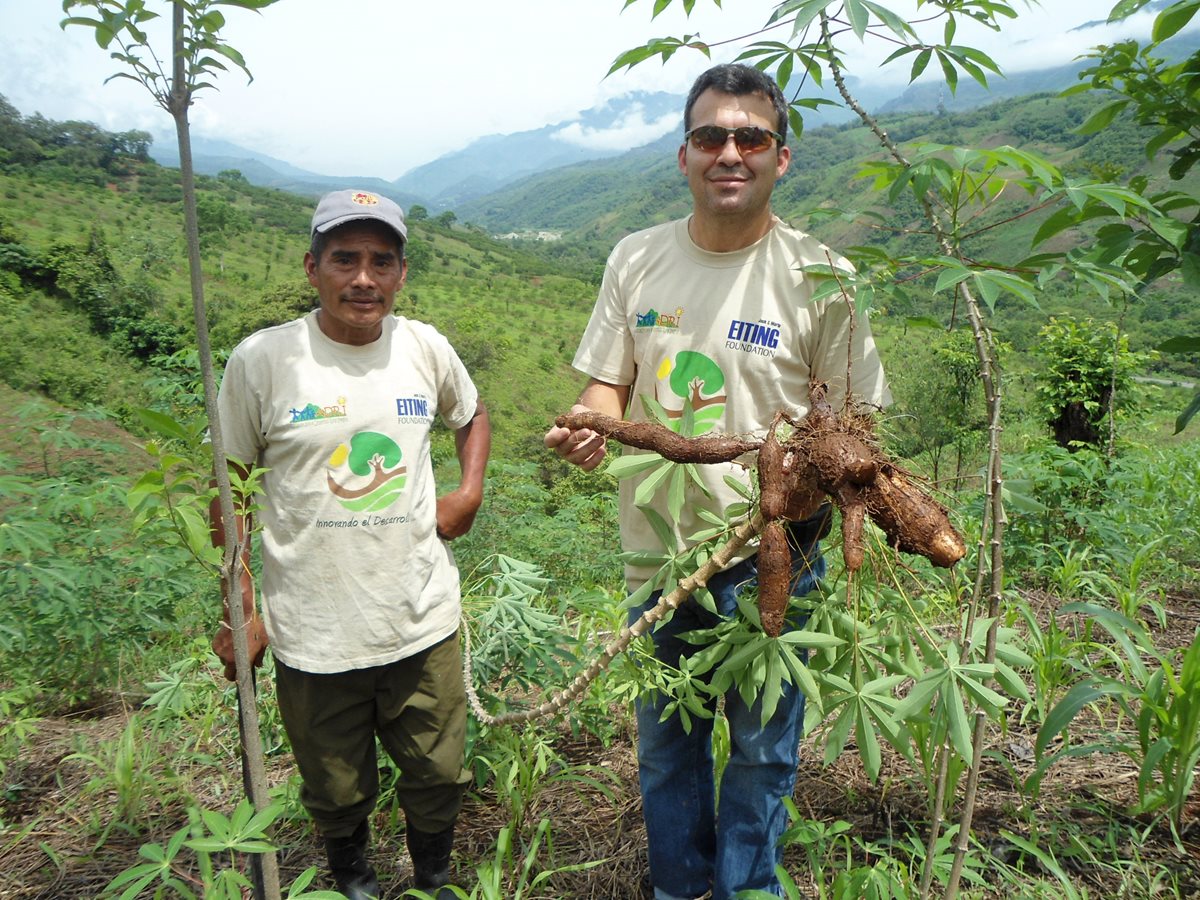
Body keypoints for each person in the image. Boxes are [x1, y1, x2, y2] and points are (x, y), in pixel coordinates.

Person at [544, 64, 890, 899]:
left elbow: (857, 427)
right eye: (710, 137)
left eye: (750, 138)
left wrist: (795, 494)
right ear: (683, 155)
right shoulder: (635, 258)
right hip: (659, 556)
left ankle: (748, 890)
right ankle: (679, 887)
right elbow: (608, 385)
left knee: (765, 748)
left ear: (782, 157)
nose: (728, 152)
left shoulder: (821, 275)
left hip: (782, 557)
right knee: (668, 746)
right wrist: (589, 423)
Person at [211, 189, 490, 900]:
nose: (362, 278)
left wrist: (468, 491)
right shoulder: (264, 361)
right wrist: (238, 606)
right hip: (312, 627)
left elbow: (472, 412)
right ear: (313, 268)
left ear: (401, 273)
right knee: (334, 788)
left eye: (380, 261)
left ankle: (433, 878)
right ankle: (355, 881)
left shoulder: (424, 347)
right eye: (345, 259)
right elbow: (230, 487)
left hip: (420, 616)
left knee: (440, 772)